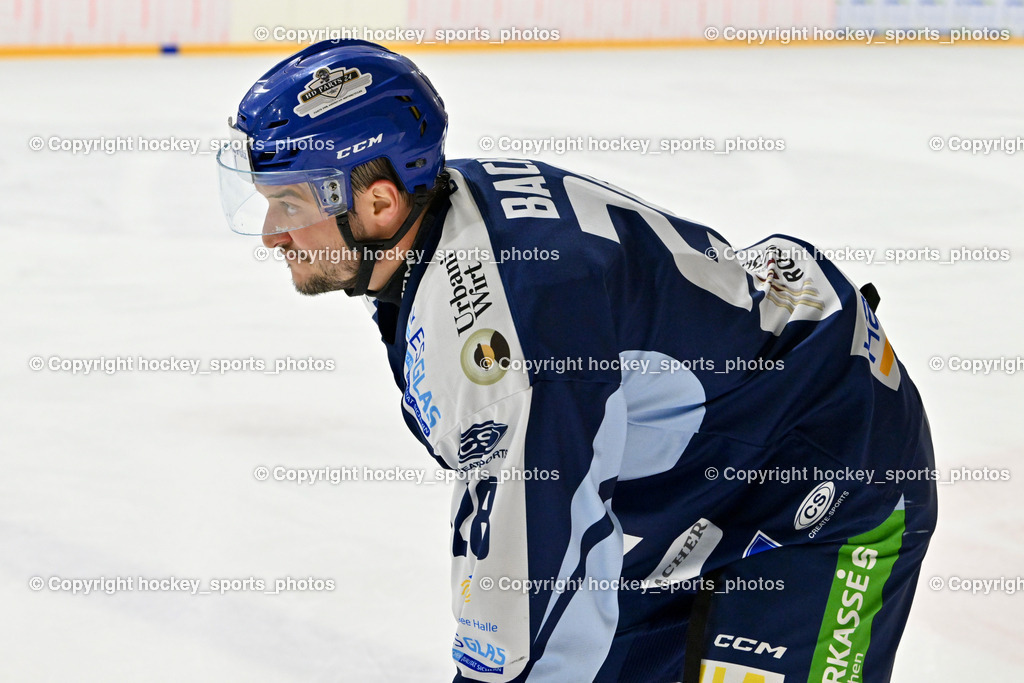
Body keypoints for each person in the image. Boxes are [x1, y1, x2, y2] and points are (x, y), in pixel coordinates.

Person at [217, 39, 937, 683]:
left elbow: (525, 590)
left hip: (832, 465)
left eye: (289, 203)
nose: (274, 234)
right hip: (713, 475)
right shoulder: (435, 222)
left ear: (376, 203)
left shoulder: (501, 339)